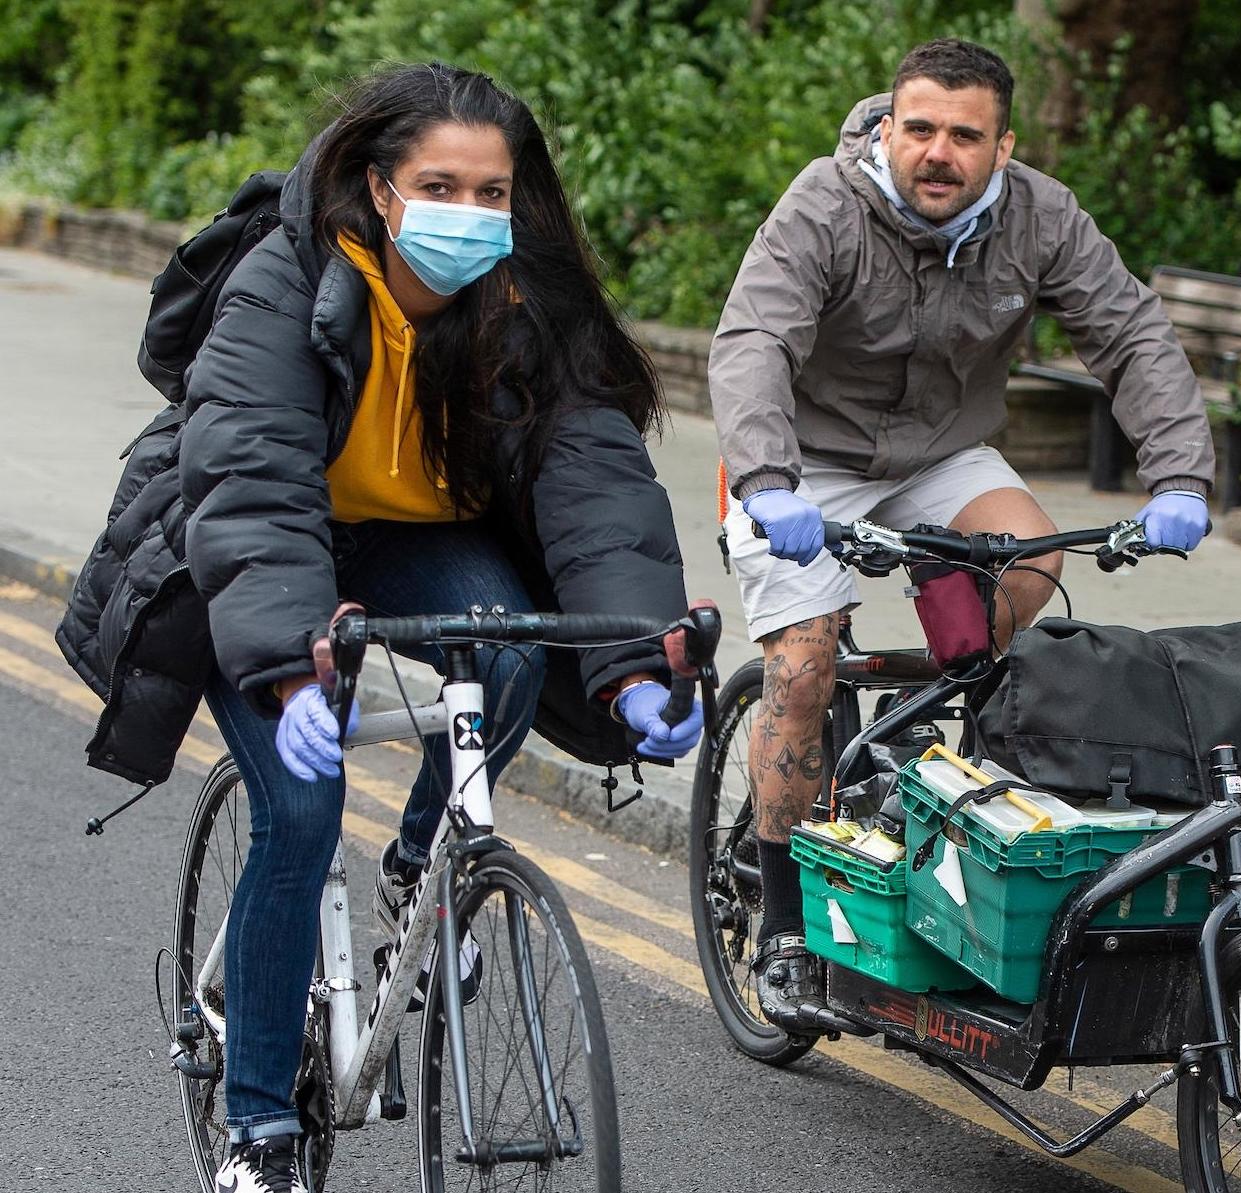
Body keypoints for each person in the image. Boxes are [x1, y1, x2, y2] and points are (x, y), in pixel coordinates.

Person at [57, 64, 702, 1193]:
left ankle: (423, 865)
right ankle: (258, 1126)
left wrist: (633, 664)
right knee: (300, 813)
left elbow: (599, 486)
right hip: (253, 550)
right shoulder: (285, 280)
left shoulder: (524, 299)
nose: (470, 212)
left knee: (505, 641)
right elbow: (253, 490)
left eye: (492, 190)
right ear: (378, 185)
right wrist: (288, 674)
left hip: (406, 537)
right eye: (439, 184)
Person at [708, 38, 1215, 1031]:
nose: (938, 152)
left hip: (940, 454)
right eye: (921, 128)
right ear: (889, 128)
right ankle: (778, 929)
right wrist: (768, 482)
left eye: (965, 135)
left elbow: (1130, 334)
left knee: (1031, 560)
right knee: (806, 669)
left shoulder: (1039, 215)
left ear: (1002, 145)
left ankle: (911, 753)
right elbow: (753, 341)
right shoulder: (822, 203)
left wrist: (1180, 476)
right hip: (802, 461)